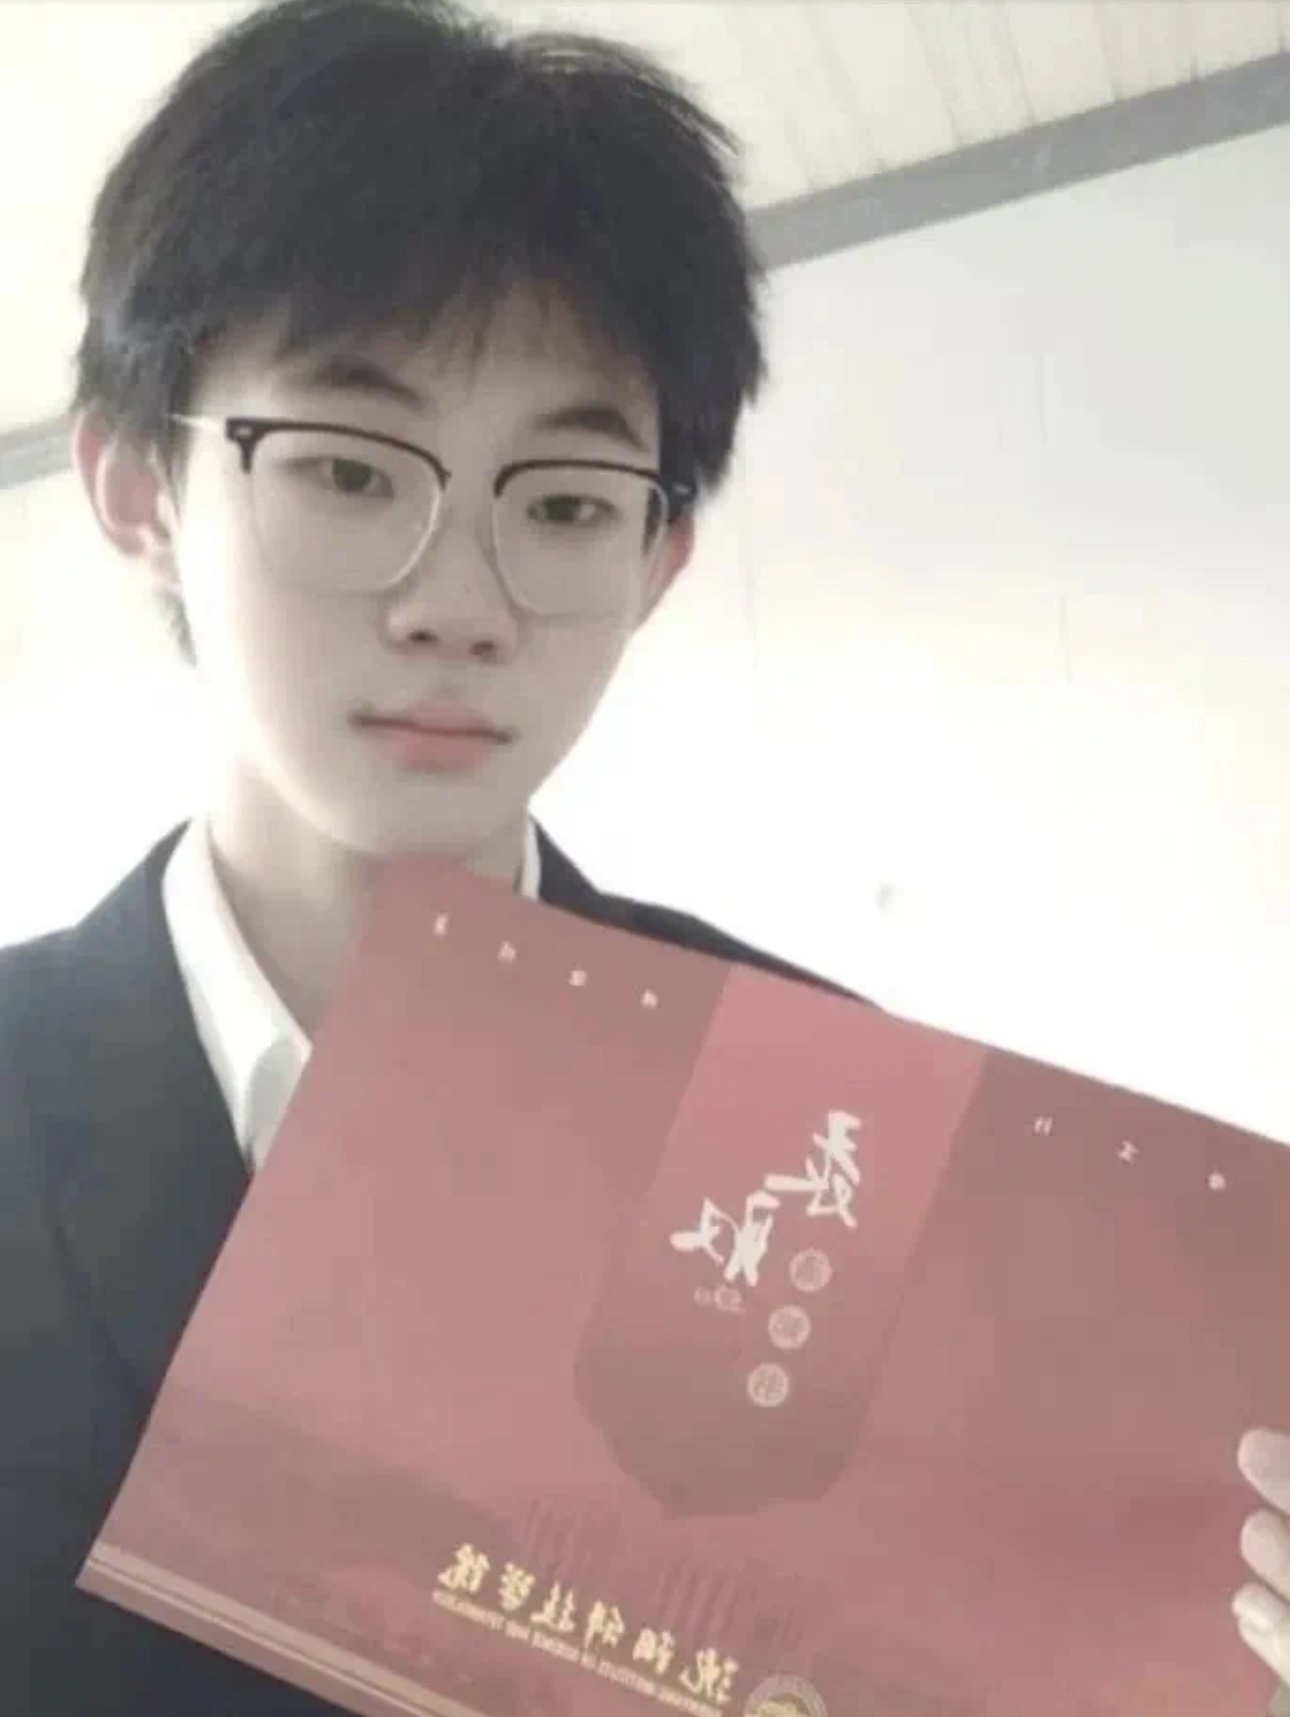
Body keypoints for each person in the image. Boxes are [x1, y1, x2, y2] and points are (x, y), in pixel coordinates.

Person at [0, 0, 1284, 1710]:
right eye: (349, 472)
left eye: (560, 501)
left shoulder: (819, 1109)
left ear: (659, 556)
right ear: (136, 486)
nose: (456, 603)